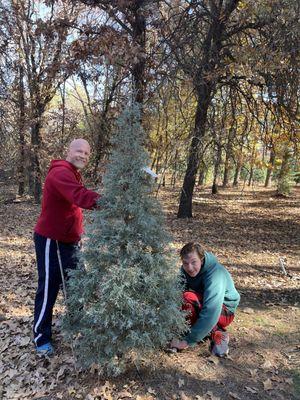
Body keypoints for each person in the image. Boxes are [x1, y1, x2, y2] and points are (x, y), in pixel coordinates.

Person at [33, 139, 100, 355]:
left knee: (77, 284)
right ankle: (41, 337)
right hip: (51, 241)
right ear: (69, 151)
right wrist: (112, 202)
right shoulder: (61, 173)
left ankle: (77, 326)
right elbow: (80, 197)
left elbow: (71, 208)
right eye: (79, 151)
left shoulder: (72, 172)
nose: (83, 155)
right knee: (49, 287)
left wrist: (77, 234)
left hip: (69, 241)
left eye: (87, 153)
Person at [170, 242, 240, 357]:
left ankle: (218, 332)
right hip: (206, 303)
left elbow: (211, 311)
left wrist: (187, 341)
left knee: (188, 298)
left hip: (224, 311)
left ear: (201, 260)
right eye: (185, 263)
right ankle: (202, 330)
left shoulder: (215, 274)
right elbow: (174, 293)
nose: (190, 268)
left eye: (194, 262)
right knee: (184, 300)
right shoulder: (184, 270)